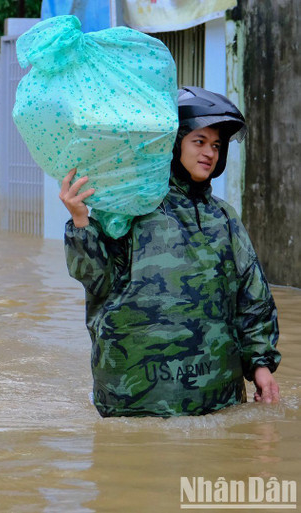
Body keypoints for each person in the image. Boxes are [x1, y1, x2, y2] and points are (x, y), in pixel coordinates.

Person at [60, 86, 281, 417]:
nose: (210, 152)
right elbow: (96, 279)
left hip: (217, 400)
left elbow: (252, 297)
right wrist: (80, 221)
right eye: (199, 141)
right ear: (174, 144)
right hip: (136, 401)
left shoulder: (224, 218)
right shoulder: (132, 208)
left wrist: (261, 367)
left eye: (217, 146)